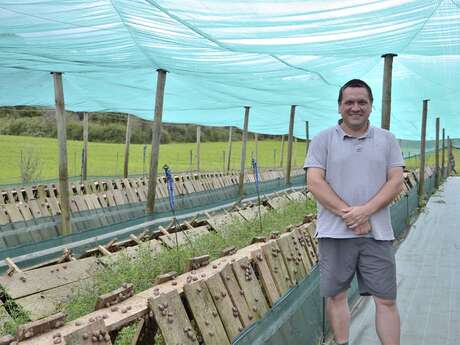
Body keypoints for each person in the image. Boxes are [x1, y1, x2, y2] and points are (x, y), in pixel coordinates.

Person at [304, 79, 404, 345]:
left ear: (371, 106)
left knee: (386, 298)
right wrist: (351, 216)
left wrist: (366, 212)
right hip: (334, 234)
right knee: (336, 295)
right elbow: (314, 182)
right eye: (349, 102)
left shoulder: (387, 140)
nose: (355, 107)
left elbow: (396, 180)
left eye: (362, 102)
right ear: (339, 106)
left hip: (378, 233)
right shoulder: (323, 140)